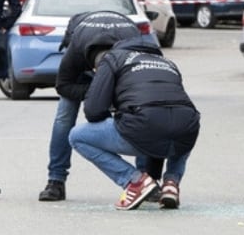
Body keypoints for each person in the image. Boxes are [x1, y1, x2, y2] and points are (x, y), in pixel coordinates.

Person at [38, 11, 163, 202]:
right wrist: (93, 92)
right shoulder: (77, 50)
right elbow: (62, 85)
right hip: (83, 61)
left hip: (123, 62)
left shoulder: (136, 48)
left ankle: (146, 179)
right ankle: (55, 181)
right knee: (64, 118)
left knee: (140, 111)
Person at [69, 36, 200, 210]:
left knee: (77, 136)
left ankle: (134, 180)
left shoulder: (114, 58)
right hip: (187, 128)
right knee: (177, 123)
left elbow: (93, 110)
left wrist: (117, 112)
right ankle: (171, 184)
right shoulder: (167, 62)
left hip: (144, 127)